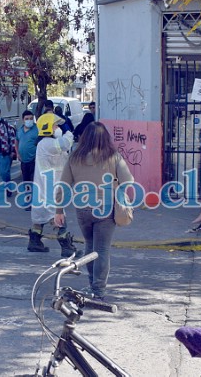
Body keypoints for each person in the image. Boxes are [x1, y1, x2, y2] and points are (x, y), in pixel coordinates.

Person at [56, 122, 133, 301]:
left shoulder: (74, 157)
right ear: (105, 138)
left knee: (90, 245)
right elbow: (128, 180)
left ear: (84, 138)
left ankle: (91, 284)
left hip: (82, 208)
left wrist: (58, 210)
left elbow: (63, 186)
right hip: (106, 209)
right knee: (102, 249)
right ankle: (98, 290)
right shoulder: (113, 157)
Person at [28, 113, 80, 257]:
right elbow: (66, 143)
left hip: (45, 185)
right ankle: (67, 247)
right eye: (56, 126)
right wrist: (67, 129)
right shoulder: (47, 143)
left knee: (40, 215)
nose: (58, 128)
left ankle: (34, 241)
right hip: (50, 187)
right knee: (56, 215)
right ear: (48, 128)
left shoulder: (47, 144)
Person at [15, 110, 38, 211]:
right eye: (27, 119)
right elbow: (16, 141)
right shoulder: (20, 130)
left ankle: (34, 202)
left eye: (31, 119)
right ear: (23, 120)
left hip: (34, 160)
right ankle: (28, 200)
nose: (29, 121)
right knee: (26, 181)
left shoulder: (37, 129)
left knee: (34, 181)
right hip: (23, 161)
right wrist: (17, 153)